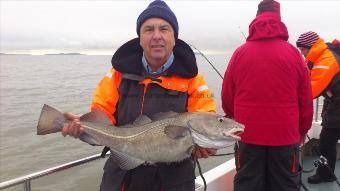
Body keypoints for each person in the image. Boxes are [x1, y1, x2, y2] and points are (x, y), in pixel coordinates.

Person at [61, 0, 217, 191]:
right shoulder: (117, 76)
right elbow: (102, 114)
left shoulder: (194, 81)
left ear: (174, 37)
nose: (157, 36)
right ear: (140, 38)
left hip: (174, 182)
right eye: (149, 29)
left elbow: (205, 118)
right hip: (122, 179)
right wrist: (84, 126)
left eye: (164, 29)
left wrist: (208, 142)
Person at [221, 0, 313, 190]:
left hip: (248, 135)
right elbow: (305, 100)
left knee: (248, 182)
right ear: (279, 18)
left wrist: (233, 119)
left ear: (256, 17)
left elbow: (227, 96)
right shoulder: (294, 54)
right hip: (285, 137)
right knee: (284, 184)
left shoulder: (239, 53)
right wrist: (302, 130)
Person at [296, 31, 340, 184]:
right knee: (328, 140)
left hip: (337, 107)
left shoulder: (326, 60)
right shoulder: (322, 56)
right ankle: (327, 173)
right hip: (335, 102)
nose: (301, 53)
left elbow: (310, 91)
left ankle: (325, 175)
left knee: (327, 142)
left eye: (302, 49)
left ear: (310, 47)